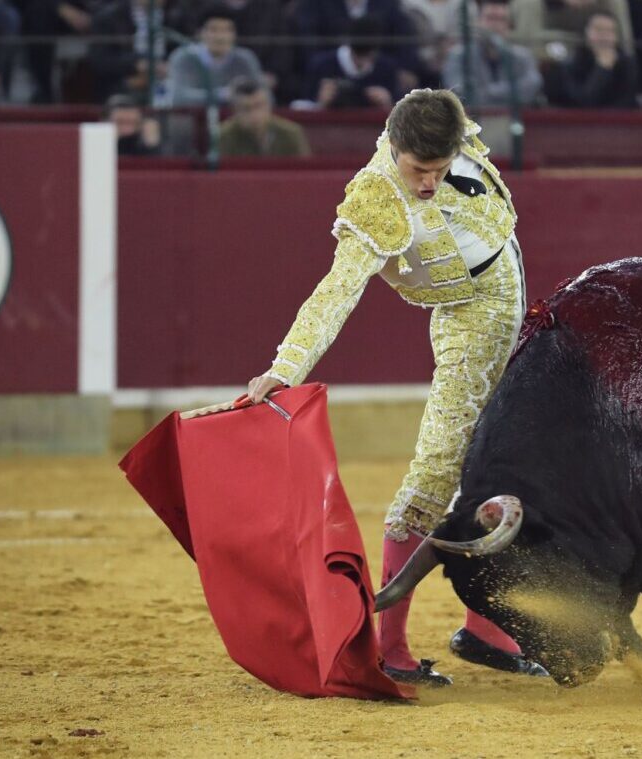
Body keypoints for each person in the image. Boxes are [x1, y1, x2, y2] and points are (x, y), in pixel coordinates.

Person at [244, 89, 545, 686]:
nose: (429, 183)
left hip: (512, 309)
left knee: (502, 467)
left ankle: (483, 630)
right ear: (395, 150)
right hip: (469, 325)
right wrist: (287, 366)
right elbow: (337, 290)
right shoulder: (379, 196)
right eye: (418, 171)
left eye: (438, 170)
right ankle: (391, 647)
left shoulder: (441, 125)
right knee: (435, 477)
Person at [442, 0, 544, 107]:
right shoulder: (459, 55)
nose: (496, 25)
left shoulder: (523, 56)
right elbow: (460, 92)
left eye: (502, 20)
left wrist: (488, 92)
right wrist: (507, 93)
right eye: (490, 18)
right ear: (479, 22)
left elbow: (532, 86)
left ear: (509, 26)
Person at [166, 3, 263, 106]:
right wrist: (224, 95)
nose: (220, 37)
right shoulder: (183, 58)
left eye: (227, 30)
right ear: (200, 33)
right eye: (214, 30)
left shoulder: (245, 59)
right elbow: (179, 97)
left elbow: (265, 96)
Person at [88, 0, 179, 103]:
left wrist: (168, 66)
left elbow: (183, 51)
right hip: (125, 82)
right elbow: (100, 60)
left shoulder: (176, 15)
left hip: (169, 81)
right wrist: (136, 64)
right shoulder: (108, 17)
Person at [306, 16, 401, 109]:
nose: (362, 62)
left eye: (367, 55)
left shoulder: (387, 68)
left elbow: (400, 113)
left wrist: (388, 104)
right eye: (358, 54)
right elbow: (299, 104)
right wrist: (320, 104)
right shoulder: (322, 65)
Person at [555, 9, 640, 107]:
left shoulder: (627, 63)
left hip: (617, 120)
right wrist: (602, 70)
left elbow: (627, 103)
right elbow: (582, 102)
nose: (604, 36)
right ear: (585, 34)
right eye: (598, 30)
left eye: (610, 31)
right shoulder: (571, 63)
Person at [218, 76, 311, 156]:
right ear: (234, 110)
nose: (254, 115)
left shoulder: (290, 134)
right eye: (246, 109)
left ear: (269, 105)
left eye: (259, 106)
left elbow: (305, 172)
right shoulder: (223, 136)